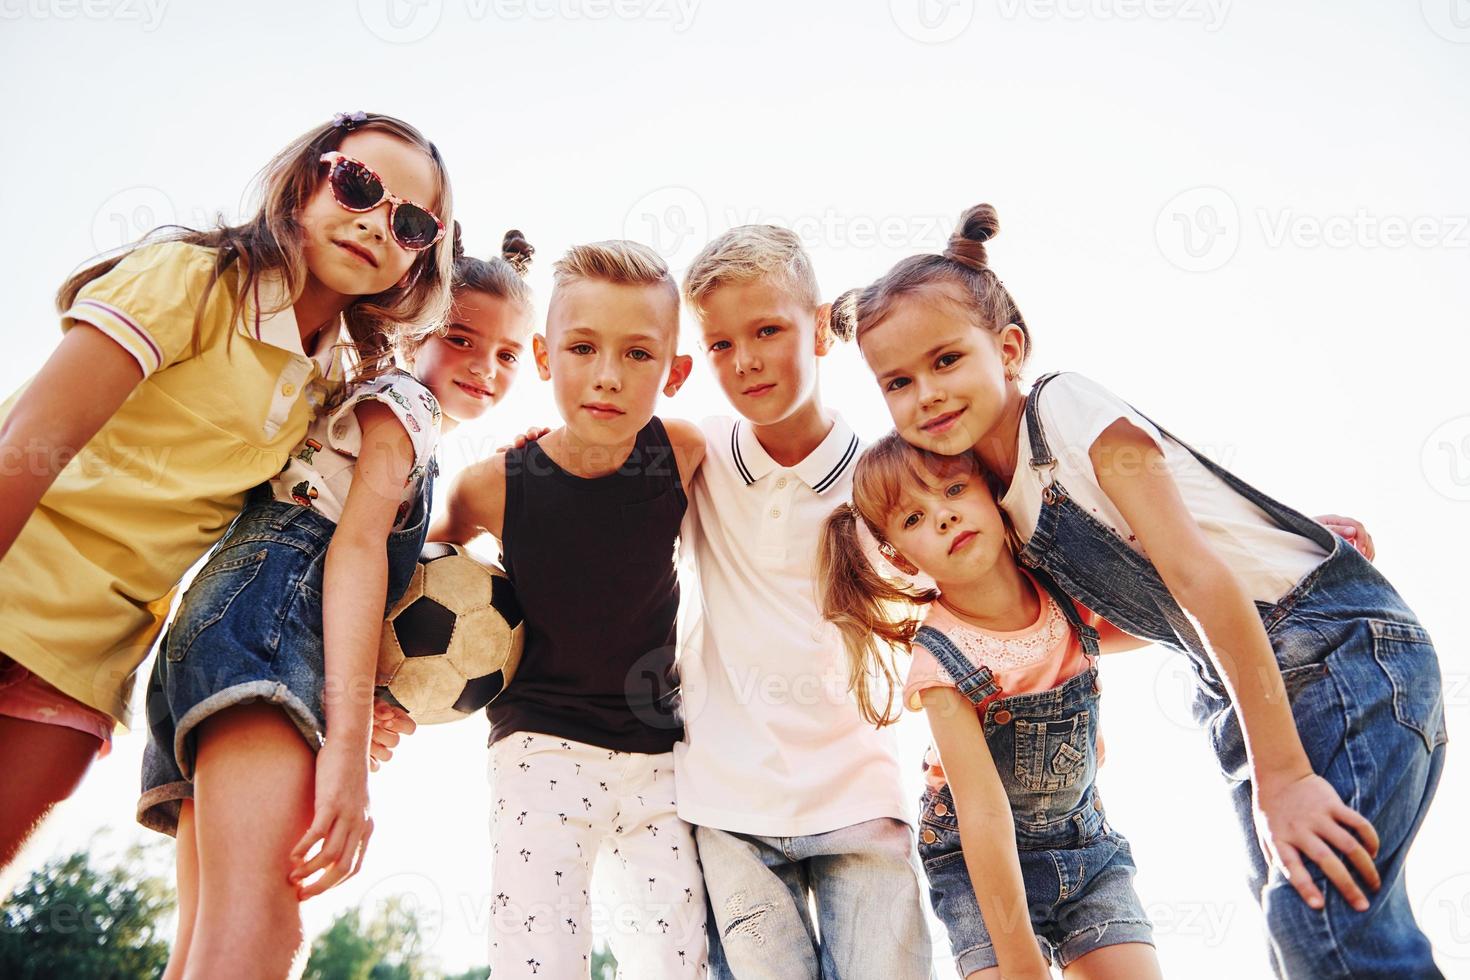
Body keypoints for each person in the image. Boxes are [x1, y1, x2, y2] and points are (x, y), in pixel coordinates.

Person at [844, 202, 1446, 978]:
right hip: (1242, 690)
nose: (926, 392)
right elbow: (1101, 625)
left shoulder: (1064, 410)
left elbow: (1199, 575)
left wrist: (1286, 775)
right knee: (1299, 932)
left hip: (1333, 655)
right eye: (899, 381)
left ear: (1009, 349)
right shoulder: (1005, 508)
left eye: (946, 361)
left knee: (1321, 920)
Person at [0, 111, 456, 874]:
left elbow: (314, 558)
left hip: (85, 663)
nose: (377, 224)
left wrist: (348, 723)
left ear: (419, 256)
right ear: (308, 180)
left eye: (408, 221)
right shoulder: (194, 280)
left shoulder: (338, 394)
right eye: (358, 187)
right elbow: (27, 454)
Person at [430, 239, 709, 978]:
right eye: (583, 348)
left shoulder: (682, 454)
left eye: (638, 355)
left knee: (679, 961)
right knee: (536, 957)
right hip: (538, 749)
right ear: (547, 357)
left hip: (660, 756)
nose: (608, 377)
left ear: (675, 372)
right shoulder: (490, 487)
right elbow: (420, 583)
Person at [676, 225, 933, 979]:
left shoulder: (888, 482)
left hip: (860, 797)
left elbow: (961, 610)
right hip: (728, 803)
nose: (745, 359)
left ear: (820, 328)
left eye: (767, 330)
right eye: (720, 345)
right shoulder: (698, 453)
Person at [821, 431, 1162, 979]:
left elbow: (1170, 615)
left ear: (993, 491)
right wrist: (1021, 961)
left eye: (954, 489)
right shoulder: (942, 664)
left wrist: (1274, 563)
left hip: (1084, 845)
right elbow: (982, 813)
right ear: (901, 558)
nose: (943, 517)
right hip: (977, 866)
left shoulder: (1063, 596)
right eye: (913, 520)